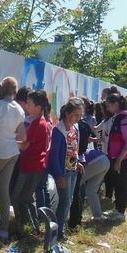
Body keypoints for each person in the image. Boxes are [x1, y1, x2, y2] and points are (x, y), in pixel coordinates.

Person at [0, 77, 27, 237]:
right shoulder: (19, 109)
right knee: (4, 190)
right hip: (13, 152)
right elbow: (23, 136)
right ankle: (3, 228)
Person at [12, 90, 51, 232]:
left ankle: (23, 225)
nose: (26, 105)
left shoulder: (37, 124)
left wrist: (9, 140)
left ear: (39, 107)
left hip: (30, 166)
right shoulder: (43, 122)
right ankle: (32, 225)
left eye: (29, 103)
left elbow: (24, 144)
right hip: (36, 165)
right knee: (27, 197)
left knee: (18, 197)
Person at [47, 99, 85, 239]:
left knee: (68, 200)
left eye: (80, 115)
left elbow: (74, 149)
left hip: (72, 169)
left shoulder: (75, 128)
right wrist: (59, 175)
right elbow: (54, 156)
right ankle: (58, 233)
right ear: (68, 114)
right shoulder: (58, 130)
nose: (78, 118)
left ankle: (59, 230)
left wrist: (78, 162)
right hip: (63, 171)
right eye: (76, 115)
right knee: (64, 202)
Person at [103, 91, 127, 222]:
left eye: (109, 105)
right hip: (116, 156)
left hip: (122, 157)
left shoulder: (124, 119)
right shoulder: (118, 117)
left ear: (116, 104)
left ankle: (121, 212)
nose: (107, 108)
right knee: (117, 182)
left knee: (121, 184)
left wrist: (119, 160)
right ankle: (117, 208)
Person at [81, 149, 112, 222]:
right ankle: (98, 216)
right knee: (91, 190)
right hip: (106, 161)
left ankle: (70, 215)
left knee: (74, 186)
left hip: (96, 161)